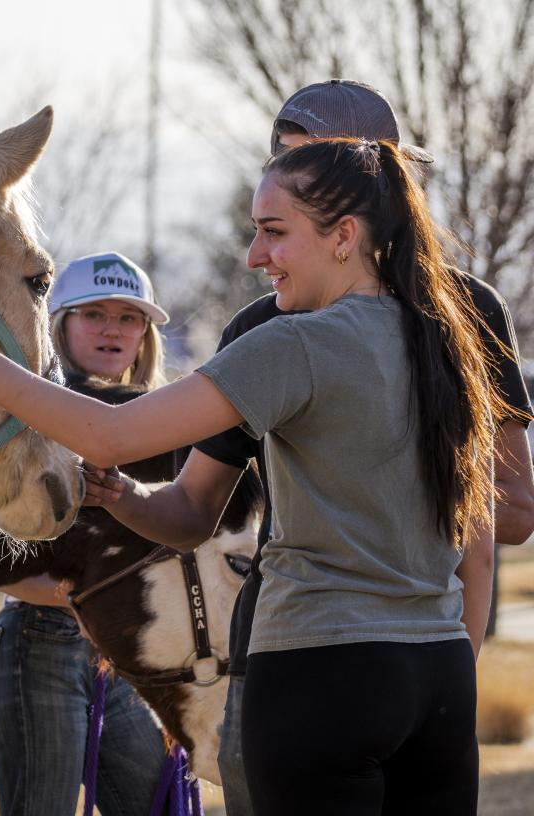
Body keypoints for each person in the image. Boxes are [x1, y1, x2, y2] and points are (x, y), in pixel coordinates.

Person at [0, 133, 505, 814]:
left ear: (344, 235)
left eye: (274, 233)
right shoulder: (449, 343)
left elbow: (110, 432)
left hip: (323, 671)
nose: (254, 258)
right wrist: (124, 496)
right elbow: (475, 541)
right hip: (440, 677)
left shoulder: (293, 342)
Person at [195, 80, 534, 816]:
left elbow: (512, 513)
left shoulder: (471, 313)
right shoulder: (264, 325)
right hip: (288, 650)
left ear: (388, 181)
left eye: (323, 169)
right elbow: (195, 500)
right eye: (286, 168)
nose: (299, 189)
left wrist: (424, 483)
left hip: (426, 655)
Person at [0, 251, 169, 816]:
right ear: (58, 325)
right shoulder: (20, 423)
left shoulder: (166, 423)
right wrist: (87, 600)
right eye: (94, 314)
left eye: (129, 317)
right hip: (39, 643)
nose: (113, 329)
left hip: (126, 656)